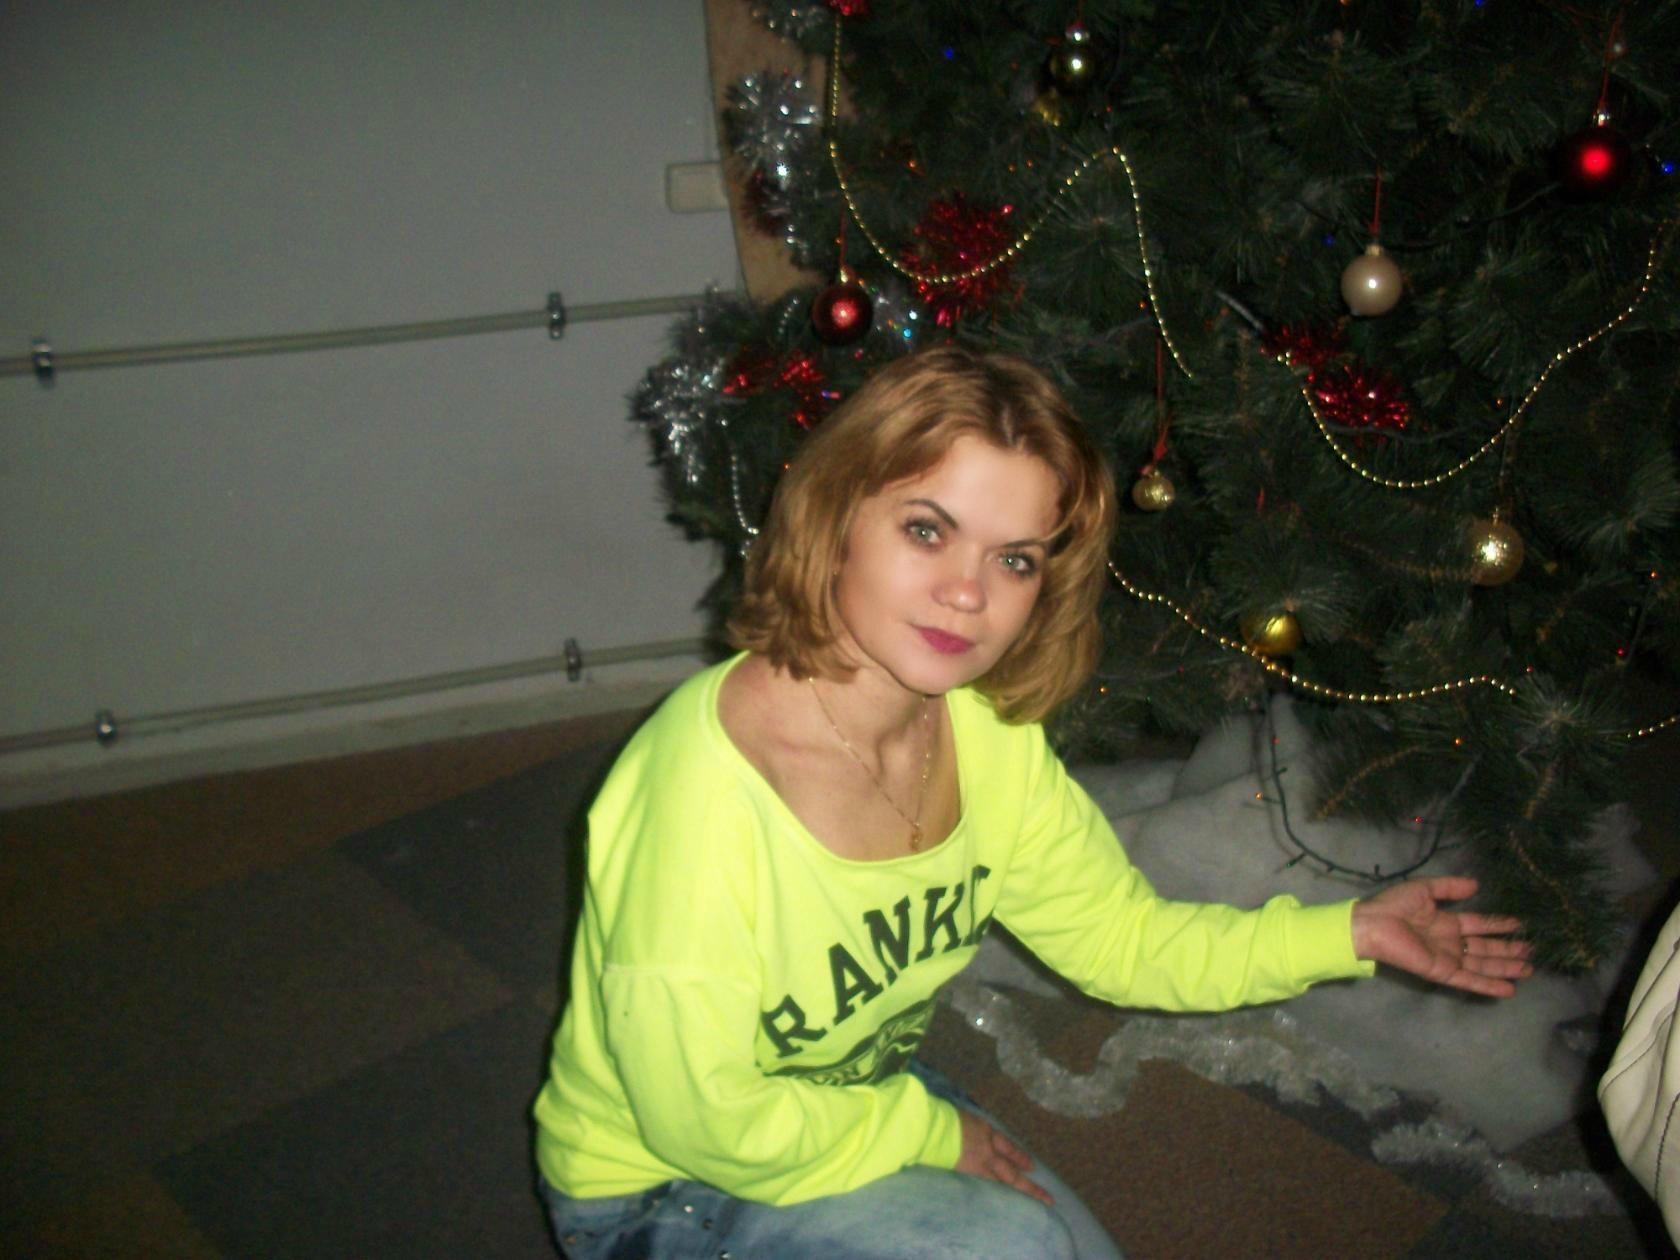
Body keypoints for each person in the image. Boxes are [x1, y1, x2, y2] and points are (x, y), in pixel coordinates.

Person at [531, 343, 1534, 1259]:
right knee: (1015, 1247)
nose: (969, 594)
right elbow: (701, 1117)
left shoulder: (982, 735)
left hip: (848, 1098)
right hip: (668, 1184)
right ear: (834, 520)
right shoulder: (702, 800)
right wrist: (928, 1132)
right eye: (927, 530)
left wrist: (1348, 932)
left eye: (1014, 559)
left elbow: (1123, 942)